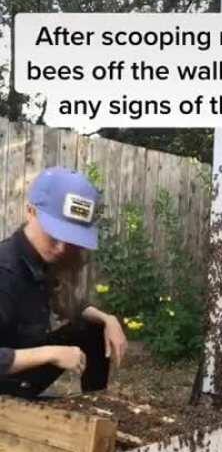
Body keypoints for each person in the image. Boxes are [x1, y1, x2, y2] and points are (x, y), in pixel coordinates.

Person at [0, 166, 128, 400]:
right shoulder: (5, 270)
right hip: (4, 388)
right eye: (54, 235)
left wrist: (107, 319)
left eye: (69, 238)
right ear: (31, 212)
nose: (61, 248)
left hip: (23, 379)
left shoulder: (41, 259)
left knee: (93, 329)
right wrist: (49, 353)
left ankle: (95, 404)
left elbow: (69, 305)